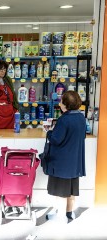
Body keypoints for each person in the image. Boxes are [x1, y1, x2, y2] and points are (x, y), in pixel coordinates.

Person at [45, 91, 86, 223]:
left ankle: (61, 217)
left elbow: (56, 140)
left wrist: (49, 132)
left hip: (62, 162)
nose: (59, 103)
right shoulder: (81, 117)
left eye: (61, 101)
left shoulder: (64, 119)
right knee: (71, 190)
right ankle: (69, 213)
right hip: (74, 161)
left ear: (66, 104)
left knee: (61, 191)